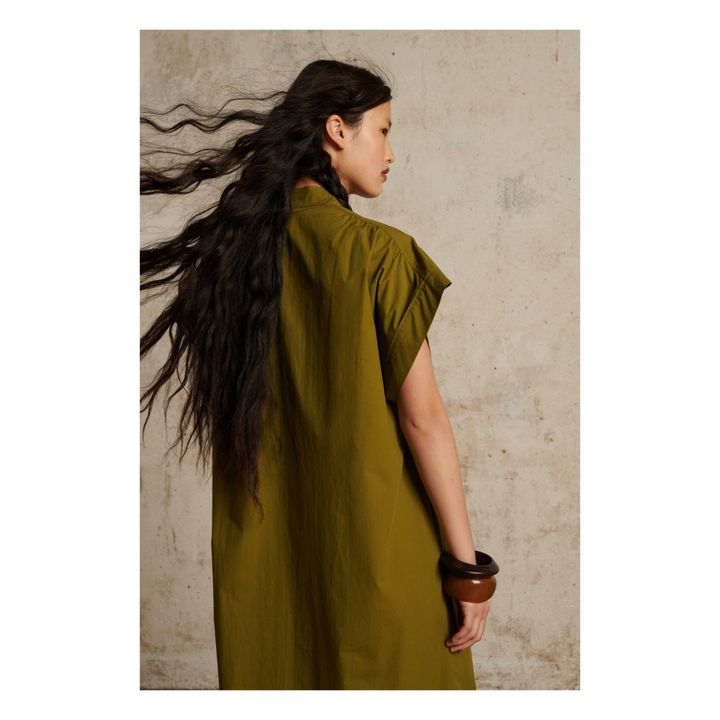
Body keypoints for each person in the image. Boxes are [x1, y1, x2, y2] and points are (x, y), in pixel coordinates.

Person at [140, 58, 491, 690]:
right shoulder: (380, 255)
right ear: (337, 129)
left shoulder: (229, 266)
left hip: (267, 582)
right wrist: (469, 573)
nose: (390, 152)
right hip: (381, 556)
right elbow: (424, 421)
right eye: (382, 130)